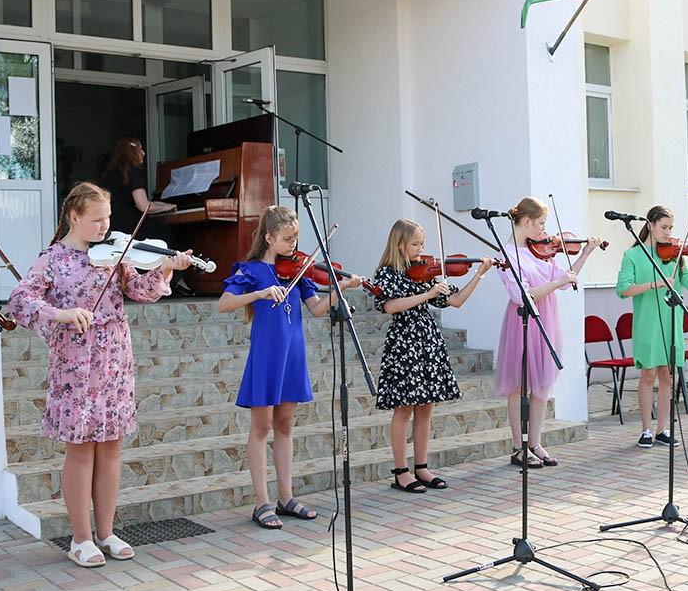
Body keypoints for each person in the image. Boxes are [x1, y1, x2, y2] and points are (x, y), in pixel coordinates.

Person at [7, 182, 191, 566]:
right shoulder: (53, 258)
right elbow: (20, 301)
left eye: (107, 217)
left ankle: (106, 533)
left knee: (111, 446)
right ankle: (80, 539)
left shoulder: (113, 255)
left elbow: (139, 289)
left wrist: (165, 269)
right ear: (74, 217)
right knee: (81, 448)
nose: (105, 226)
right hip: (75, 362)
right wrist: (60, 314)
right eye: (96, 219)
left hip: (114, 357)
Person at [215, 205, 365, 528]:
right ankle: (262, 502)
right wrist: (259, 293)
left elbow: (317, 309)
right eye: (287, 238)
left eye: (296, 238)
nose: (293, 244)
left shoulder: (299, 271)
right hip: (267, 356)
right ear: (269, 238)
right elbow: (224, 303)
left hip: (293, 355)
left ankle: (286, 497)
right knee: (261, 428)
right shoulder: (251, 270)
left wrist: (340, 289)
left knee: (285, 425)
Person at [372, 219, 494, 492]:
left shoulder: (425, 272)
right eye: (415, 244)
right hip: (404, 343)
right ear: (399, 244)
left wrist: (479, 274)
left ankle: (422, 467)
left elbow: (456, 301)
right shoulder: (387, 273)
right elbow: (391, 306)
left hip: (427, 342)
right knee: (404, 408)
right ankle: (401, 471)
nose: (420, 249)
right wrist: (426, 294)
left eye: (422, 243)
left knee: (426, 406)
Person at [494, 197, 601, 467]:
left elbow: (565, 281)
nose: (545, 230)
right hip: (522, 321)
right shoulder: (508, 254)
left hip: (546, 319)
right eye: (541, 223)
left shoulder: (540, 250)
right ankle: (518, 447)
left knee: (542, 385)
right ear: (526, 221)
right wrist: (557, 282)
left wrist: (585, 254)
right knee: (519, 386)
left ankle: (535, 443)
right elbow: (521, 296)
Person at [616, 205, 688, 448]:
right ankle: (646, 430)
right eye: (664, 227)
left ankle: (662, 429)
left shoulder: (675, 255)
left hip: (671, 321)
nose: (668, 233)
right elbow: (623, 289)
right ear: (650, 225)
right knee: (648, 374)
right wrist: (653, 284)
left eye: (671, 228)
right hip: (647, 323)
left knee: (667, 375)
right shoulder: (633, 255)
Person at [98, 137, 193, 296]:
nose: (143, 153)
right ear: (132, 152)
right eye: (140, 149)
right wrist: (168, 206)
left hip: (114, 224)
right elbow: (143, 205)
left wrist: (162, 205)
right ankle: (174, 282)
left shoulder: (110, 173)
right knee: (167, 234)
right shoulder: (132, 171)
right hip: (131, 225)